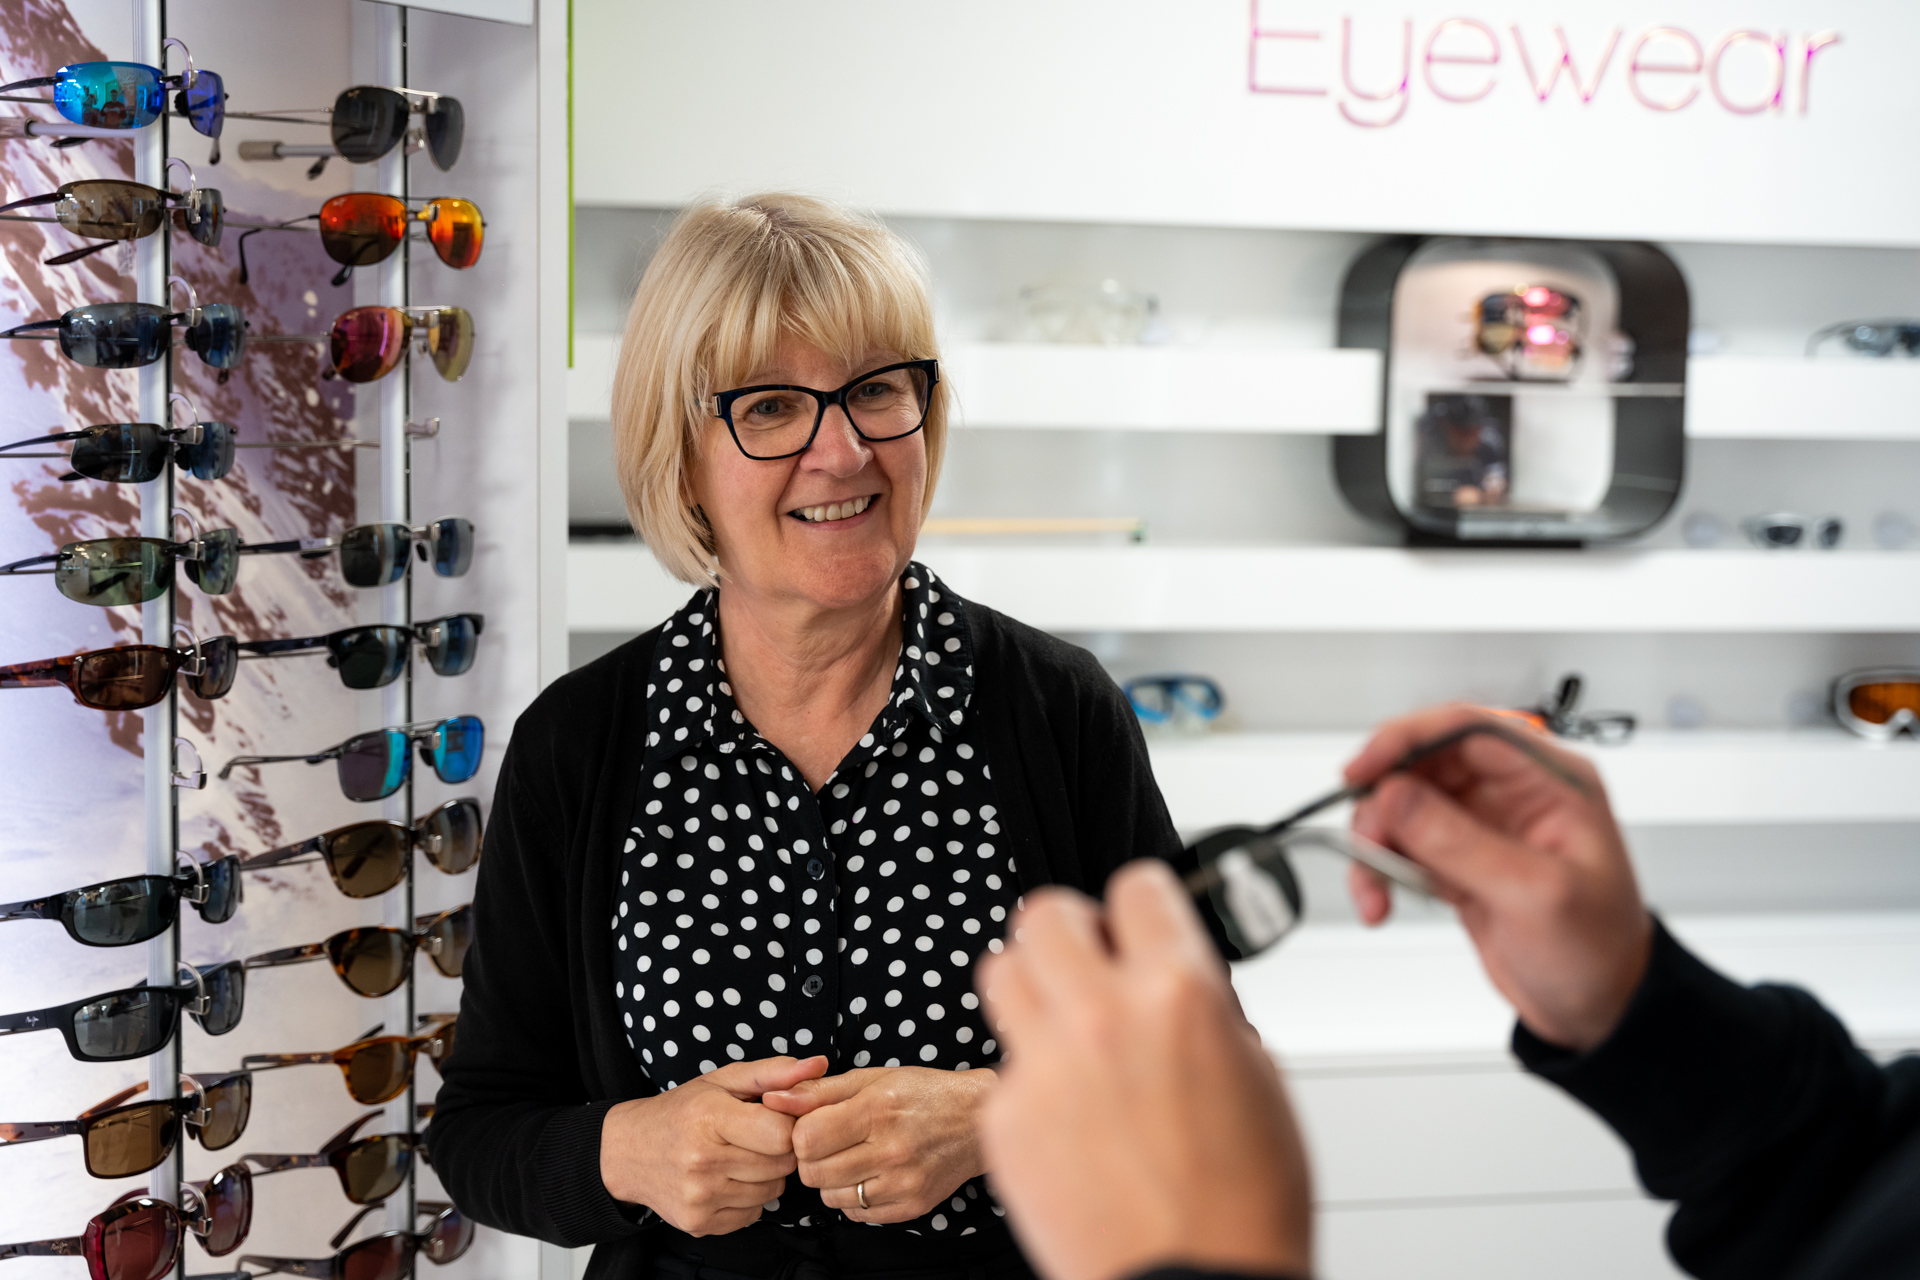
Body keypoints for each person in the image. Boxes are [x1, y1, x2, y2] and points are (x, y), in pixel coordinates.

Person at [427, 193, 1198, 1280]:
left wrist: (995, 1111)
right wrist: (629, 1148)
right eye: (773, 407)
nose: (842, 452)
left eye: (878, 390)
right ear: (680, 448)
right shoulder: (581, 741)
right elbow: (481, 1130)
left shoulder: (1054, 710)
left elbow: (1206, 1063)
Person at [979, 704, 1919, 1280]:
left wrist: (1199, 1257)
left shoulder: (1055, 699)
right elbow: (1859, 1172)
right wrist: (1636, 998)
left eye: (880, 392)